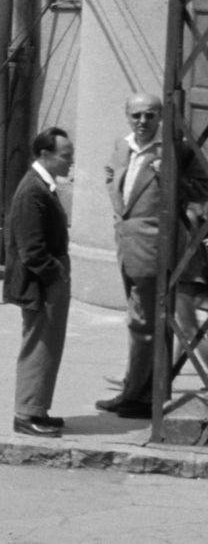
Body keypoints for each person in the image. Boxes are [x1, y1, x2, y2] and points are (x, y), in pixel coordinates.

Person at [98, 93, 208, 419]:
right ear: (127, 116)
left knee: (152, 325)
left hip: (158, 254)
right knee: (140, 325)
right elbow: (115, 181)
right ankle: (136, 391)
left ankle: (141, 397)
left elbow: (203, 190)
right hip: (128, 248)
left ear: (161, 116)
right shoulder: (123, 145)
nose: (142, 122)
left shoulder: (176, 150)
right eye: (136, 115)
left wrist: (172, 178)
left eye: (149, 115)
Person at [3, 127, 75, 437]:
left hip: (48, 282)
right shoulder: (33, 190)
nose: (70, 162)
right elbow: (31, 250)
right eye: (65, 156)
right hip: (41, 285)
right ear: (45, 155)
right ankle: (27, 414)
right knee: (39, 347)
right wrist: (56, 273)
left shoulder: (42, 185)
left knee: (48, 347)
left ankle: (38, 410)